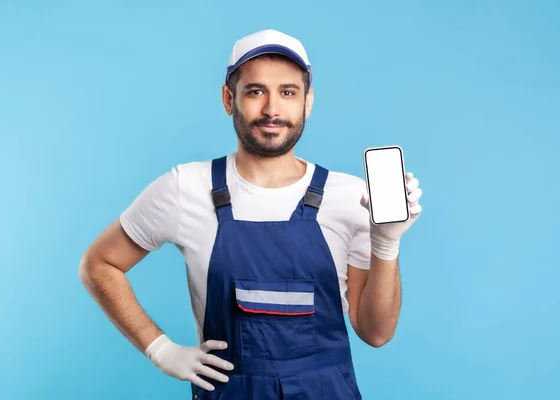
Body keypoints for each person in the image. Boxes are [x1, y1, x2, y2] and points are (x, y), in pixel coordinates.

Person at [79, 29, 423, 399]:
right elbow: (98, 264)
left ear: (308, 102)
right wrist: (161, 350)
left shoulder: (351, 197)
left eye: (288, 92)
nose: (272, 109)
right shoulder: (185, 188)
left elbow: (376, 332)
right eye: (255, 91)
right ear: (229, 99)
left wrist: (386, 242)